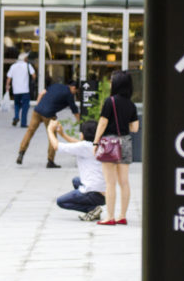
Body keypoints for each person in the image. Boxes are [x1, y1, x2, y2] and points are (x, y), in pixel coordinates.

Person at [92, 71, 140, 225]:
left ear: (117, 84)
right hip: (125, 141)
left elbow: (103, 123)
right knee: (124, 182)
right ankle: (122, 215)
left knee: (110, 182)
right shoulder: (131, 104)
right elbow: (135, 128)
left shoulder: (110, 101)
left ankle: (109, 217)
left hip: (110, 143)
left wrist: (95, 142)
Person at [47, 119, 106, 221]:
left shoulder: (83, 147)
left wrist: (49, 130)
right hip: (104, 193)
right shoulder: (97, 145)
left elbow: (56, 146)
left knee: (61, 201)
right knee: (76, 180)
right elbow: (78, 144)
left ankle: (92, 208)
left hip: (93, 192)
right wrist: (63, 135)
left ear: (82, 135)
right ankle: (93, 207)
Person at [17, 80, 80, 168]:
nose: (75, 94)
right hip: (49, 114)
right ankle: (50, 161)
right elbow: (75, 111)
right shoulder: (69, 94)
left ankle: (21, 152)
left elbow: (42, 93)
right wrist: (80, 122)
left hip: (37, 111)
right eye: (76, 91)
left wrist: (38, 106)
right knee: (52, 136)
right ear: (73, 87)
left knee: (29, 132)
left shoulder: (56, 85)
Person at [6, 52, 36, 127]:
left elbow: (9, 77)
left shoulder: (13, 66)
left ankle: (16, 116)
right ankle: (23, 123)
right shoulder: (27, 65)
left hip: (16, 90)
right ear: (25, 59)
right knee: (25, 106)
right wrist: (32, 80)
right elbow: (34, 75)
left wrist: (7, 86)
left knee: (16, 104)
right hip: (25, 89)